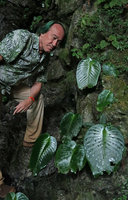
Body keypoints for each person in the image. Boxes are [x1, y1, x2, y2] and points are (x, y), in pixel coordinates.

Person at [0, 20, 65, 198]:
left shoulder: (44, 57)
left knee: (37, 99)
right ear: (43, 32)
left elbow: (39, 83)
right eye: (53, 38)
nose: (54, 44)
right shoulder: (22, 38)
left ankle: (30, 142)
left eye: (58, 42)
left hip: (11, 86)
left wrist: (29, 99)